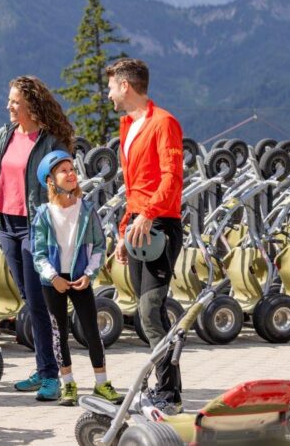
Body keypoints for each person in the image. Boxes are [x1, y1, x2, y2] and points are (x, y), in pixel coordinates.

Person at [0, 75, 74, 401]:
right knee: (29, 300)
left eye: (15, 102)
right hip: (7, 226)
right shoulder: (5, 135)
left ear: (31, 106)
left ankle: (53, 376)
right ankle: (44, 367)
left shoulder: (51, 143)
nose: (9, 106)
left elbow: (67, 187)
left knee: (41, 302)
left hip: (36, 229)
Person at [108, 58, 185, 414]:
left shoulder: (163, 123)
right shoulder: (128, 125)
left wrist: (148, 215)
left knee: (151, 311)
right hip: (138, 226)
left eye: (111, 86)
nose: (108, 94)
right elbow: (133, 188)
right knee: (146, 316)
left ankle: (169, 395)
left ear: (126, 86)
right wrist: (125, 232)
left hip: (159, 228)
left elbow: (171, 177)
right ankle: (165, 389)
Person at [31, 150, 123, 407]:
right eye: (63, 170)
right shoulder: (44, 214)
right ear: (51, 180)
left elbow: (98, 246)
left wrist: (89, 274)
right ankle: (68, 384)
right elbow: (38, 254)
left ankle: (102, 383)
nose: (71, 174)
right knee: (59, 331)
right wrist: (52, 277)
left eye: (72, 169)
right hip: (54, 281)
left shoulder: (87, 209)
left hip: (80, 277)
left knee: (92, 330)